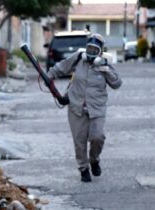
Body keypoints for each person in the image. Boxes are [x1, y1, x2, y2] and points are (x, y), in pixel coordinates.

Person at [47, 34, 122, 182]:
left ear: (100, 52)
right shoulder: (77, 58)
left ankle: (94, 160)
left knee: (97, 137)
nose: (91, 52)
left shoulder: (103, 64)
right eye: (89, 48)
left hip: (97, 108)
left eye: (95, 50)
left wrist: (105, 68)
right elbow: (61, 67)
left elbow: (117, 83)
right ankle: (83, 169)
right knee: (79, 141)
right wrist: (49, 76)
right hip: (76, 107)